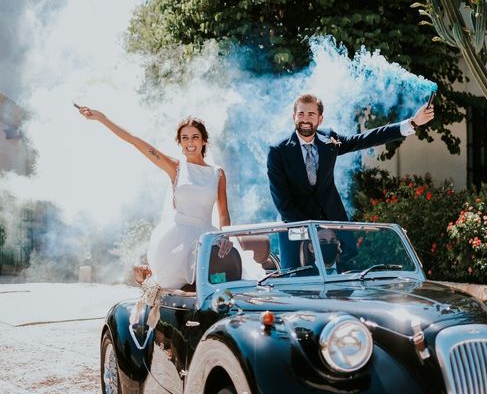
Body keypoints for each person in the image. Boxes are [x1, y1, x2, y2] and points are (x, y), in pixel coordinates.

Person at [267, 93, 435, 268]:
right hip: (296, 229)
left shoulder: (329, 139)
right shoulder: (278, 151)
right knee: (295, 283)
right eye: (301, 114)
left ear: (320, 119)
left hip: (333, 229)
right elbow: (283, 202)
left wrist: (413, 122)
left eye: (311, 114)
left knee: (344, 284)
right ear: (294, 116)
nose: (305, 119)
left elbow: (365, 139)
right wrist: (313, 229)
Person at [77, 106, 232, 289]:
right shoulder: (176, 168)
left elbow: (223, 213)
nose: (190, 142)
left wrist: (226, 237)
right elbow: (135, 141)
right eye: (185, 138)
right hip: (177, 241)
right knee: (172, 289)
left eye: (195, 137)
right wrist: (102, 118)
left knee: (220, 282)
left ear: (204, 140)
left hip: (206, 238)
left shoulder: (217, 174)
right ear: (180, 143)